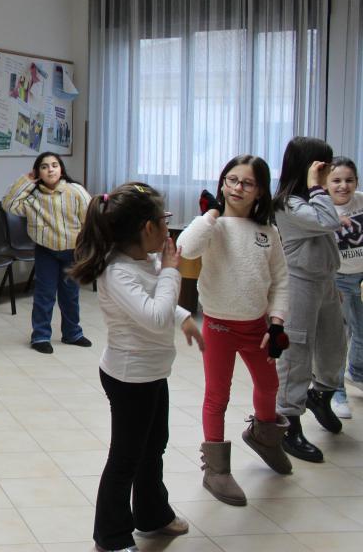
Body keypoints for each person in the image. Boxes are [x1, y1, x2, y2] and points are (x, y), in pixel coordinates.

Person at [70, 183, 201, 552]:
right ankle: (110, 537)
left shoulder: (142, 262)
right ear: (148, 228)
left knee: (154, 446)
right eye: (165, 220)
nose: (168, 228)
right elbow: (154, 316)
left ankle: (152, 514)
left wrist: (183, 317)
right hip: (130, 377)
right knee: (126, 457)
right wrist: (172, 272)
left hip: (152, 372)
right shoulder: (117, 272)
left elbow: (156, 302)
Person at [177, 155, 291, 506]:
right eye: (232, 180)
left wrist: (276, 323)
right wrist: (211, 213)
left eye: (248, 183)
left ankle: (264, 436)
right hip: (219, 326)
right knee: (217, 396)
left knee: (269, 385)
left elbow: (281, 281)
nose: (238, 188)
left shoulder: (268, 232)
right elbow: (186, 249)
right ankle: (216, 469)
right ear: (223, 183)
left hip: (256, 326)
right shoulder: (212, 226)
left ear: (260, 191)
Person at [272, 136, 347, 463]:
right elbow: (328, 221)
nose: (329, 171)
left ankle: (321, 396)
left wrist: (318, 189)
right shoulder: (287, 203)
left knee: (334, 347)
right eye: (324, 166)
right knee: (297, 353)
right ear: (309, 167)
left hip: (326, 279)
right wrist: (317, 186)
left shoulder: (313, 199)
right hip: (300, 282)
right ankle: (289, 425)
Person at [3, 152, 92, 353]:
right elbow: (9, 205)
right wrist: (26, 181)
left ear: (61, 169)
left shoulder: (75, 191)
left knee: (70, 294)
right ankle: (41, 336)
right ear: (37, 172)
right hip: (46, 251)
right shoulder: (31, 196)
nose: (50, 170)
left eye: (54, 165)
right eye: (44, 167)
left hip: (72, 251)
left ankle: (72, 333)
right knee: (44, 294)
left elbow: (89, 219)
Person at [326, 156, 363, 419]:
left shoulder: (360, 201)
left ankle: (356, 373)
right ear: (326, 183)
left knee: (360, 332)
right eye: (336, 180)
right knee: (338, 339)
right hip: (336, 279)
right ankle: (337, 393)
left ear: (356, 182)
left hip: (361, 278)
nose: (343, 186)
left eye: (349, 180)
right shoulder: (320, 208)